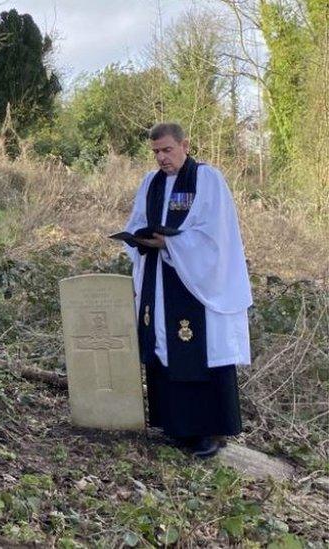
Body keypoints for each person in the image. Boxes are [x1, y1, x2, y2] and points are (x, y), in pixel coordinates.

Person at [123, 122, 252, 459]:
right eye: (155, 152)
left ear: (185, 145)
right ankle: (177, 428)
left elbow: (215, 236)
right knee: (163, 345)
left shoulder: (207, 179)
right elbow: (135, 220)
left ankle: (210, 432)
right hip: (159, 280)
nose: (161, 158)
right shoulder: (150, 183)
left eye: (167, 150)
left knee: (198, 349)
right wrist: (138, 238)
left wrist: (171, 243)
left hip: (197, 284)